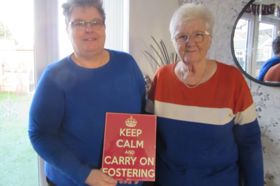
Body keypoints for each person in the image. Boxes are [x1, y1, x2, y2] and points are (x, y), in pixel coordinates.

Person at [28, 0, 146, 185]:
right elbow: (40, 134)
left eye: (95, 22)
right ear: (67, 29)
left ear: (104, 27)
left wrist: (136, 166)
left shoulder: (127, 64)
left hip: (125, 179)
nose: (89, 29)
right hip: (73, 180)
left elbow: (141, 114)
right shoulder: (53, 76)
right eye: (79, 23)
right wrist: (85, 174)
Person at [146, 3, 264, 186]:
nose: (190, 42)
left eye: (198, 35)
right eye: (182, 36)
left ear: (210, 39)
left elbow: (249, 143)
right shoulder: (161, 77)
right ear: (173, 41)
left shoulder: (232, 80)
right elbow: (148, 132)